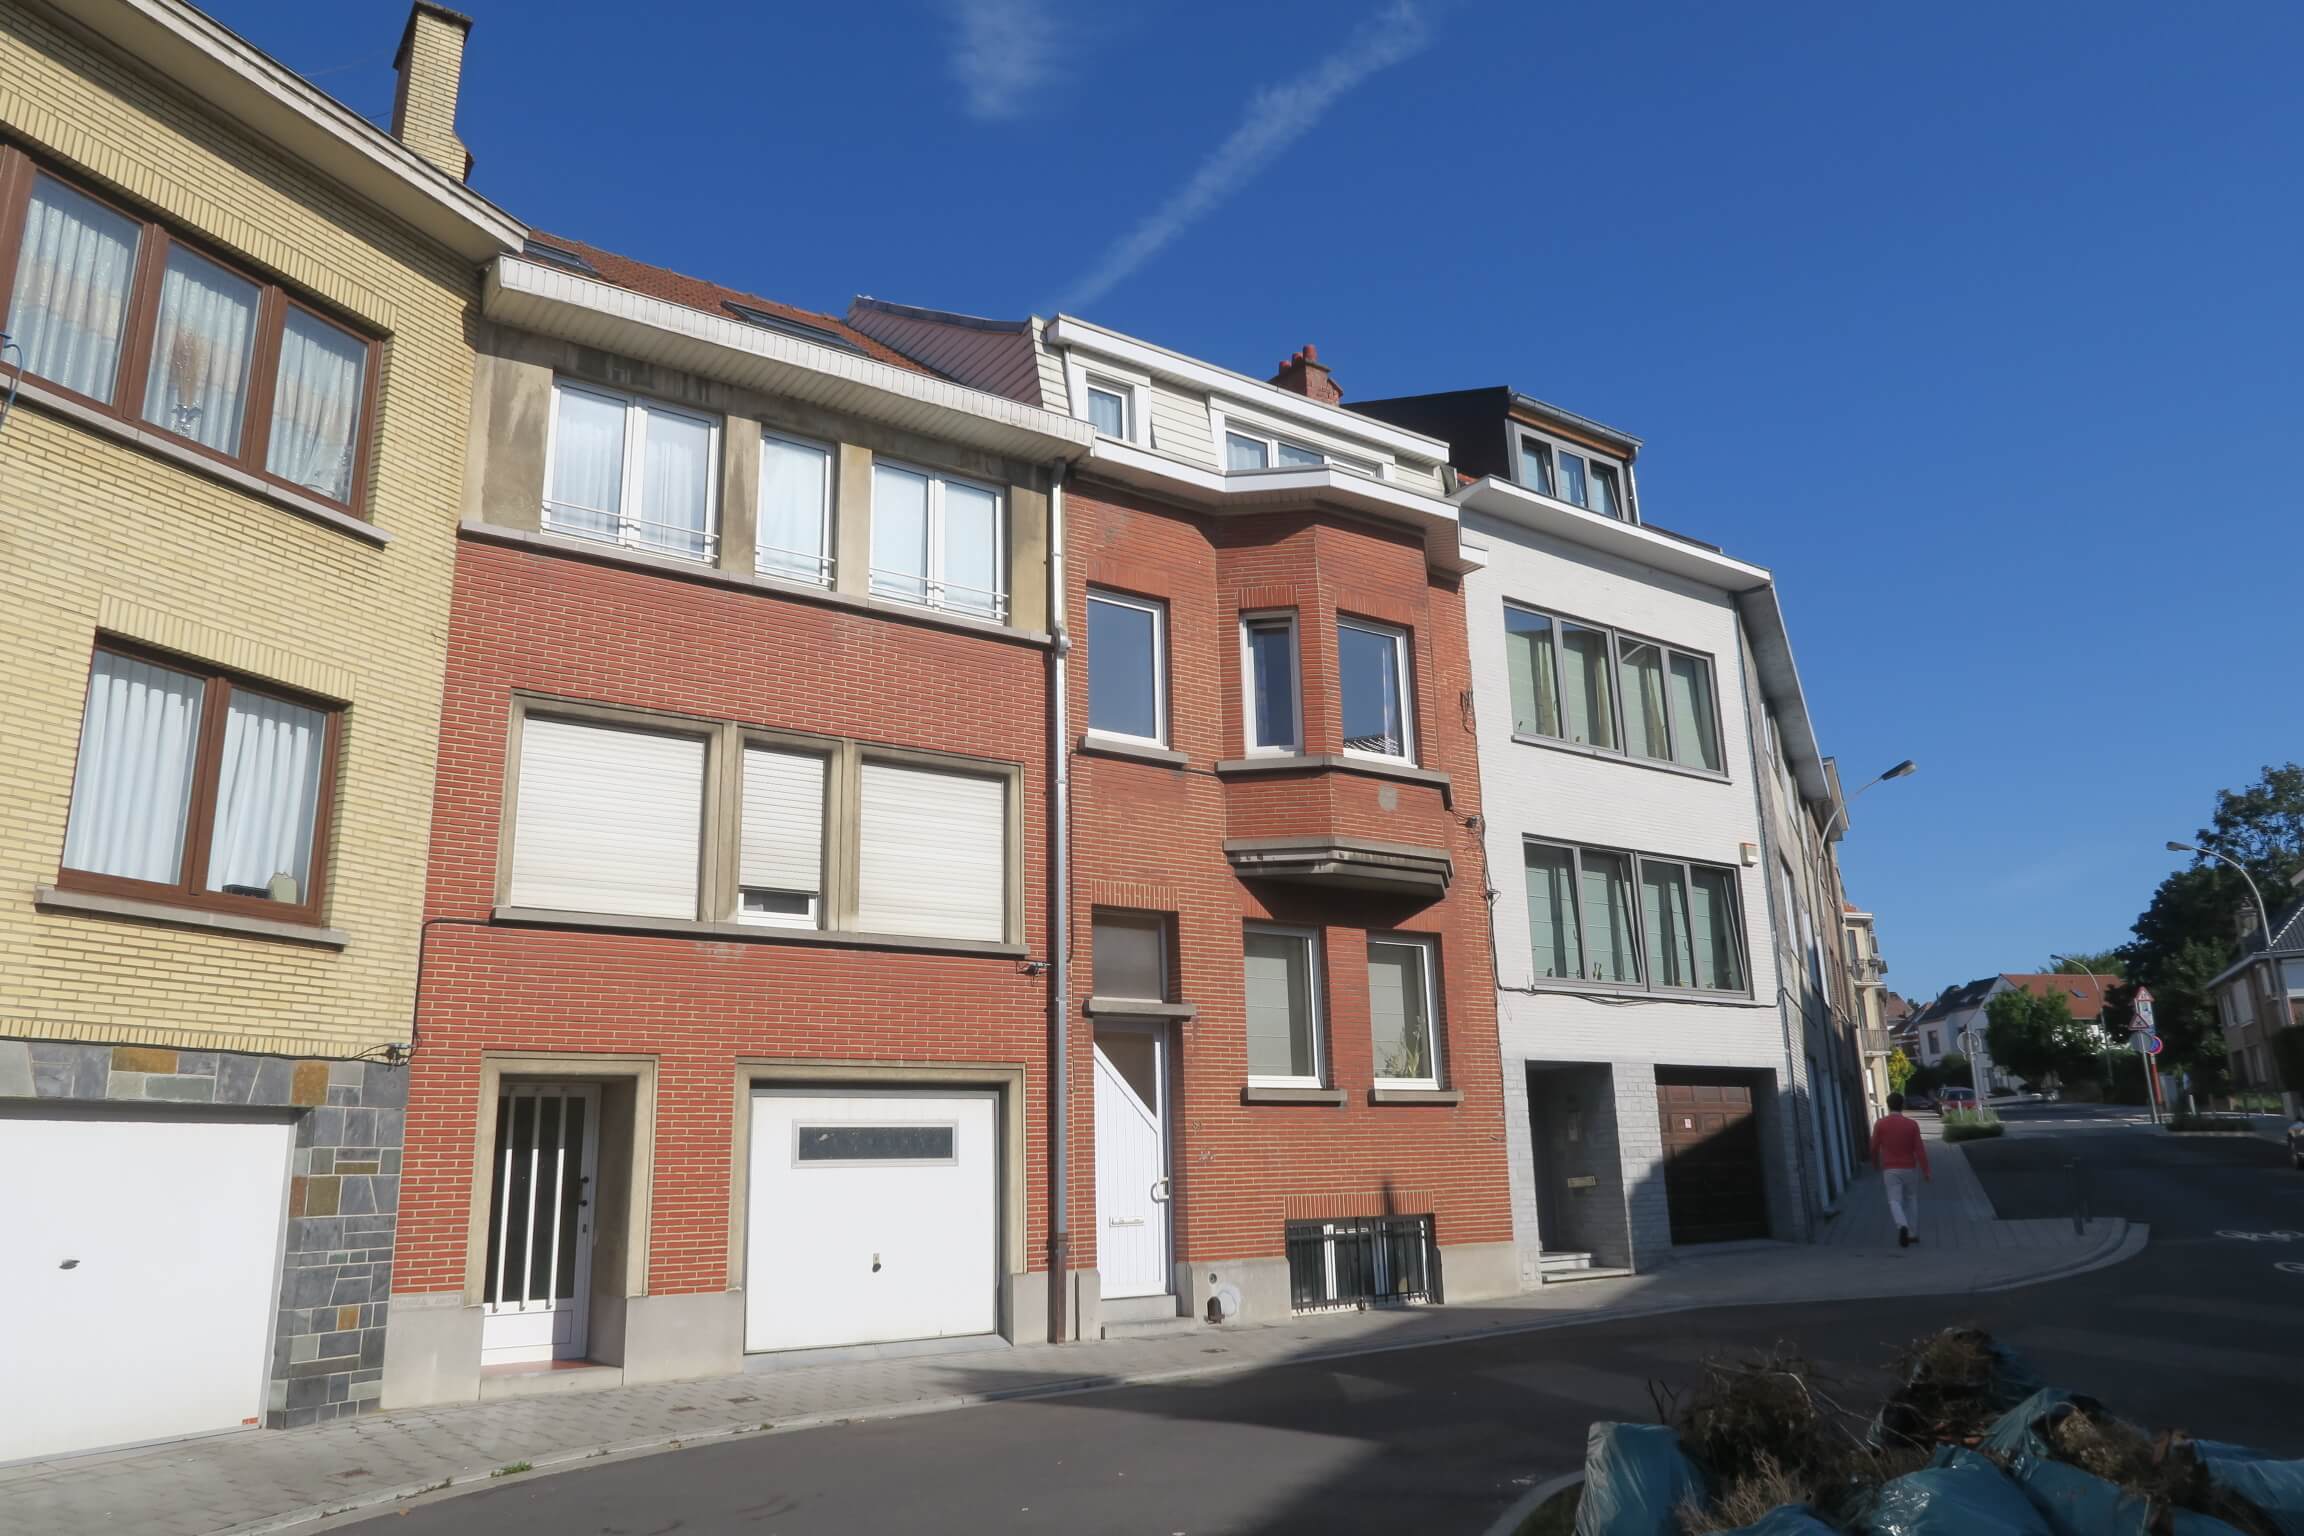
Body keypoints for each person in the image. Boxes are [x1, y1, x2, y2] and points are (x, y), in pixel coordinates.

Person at [1870, 1092, 1932, 1247]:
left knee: (1894, 1200)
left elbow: (1873, 1147)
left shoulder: (1880, 1124)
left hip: (1890, 1168)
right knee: (1911, 1199)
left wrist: (1875, 1163)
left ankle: (1901, 1224)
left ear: (1888, 1105)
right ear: (1902, 1105)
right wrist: (1926, 1170)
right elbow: (1919, 1149)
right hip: (1909, 1167)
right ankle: (1912, 1233)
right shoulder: (1911, 1125)